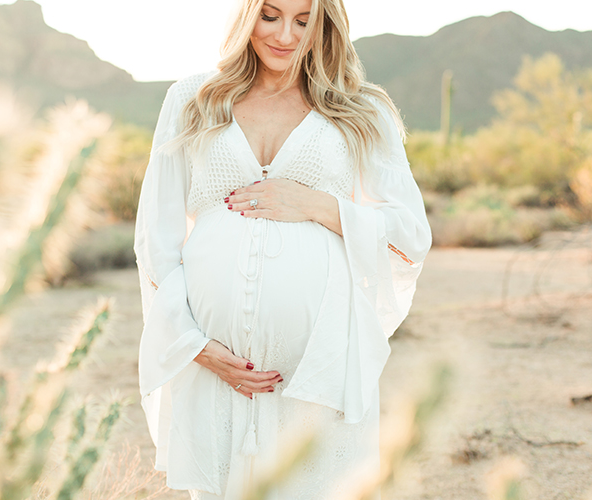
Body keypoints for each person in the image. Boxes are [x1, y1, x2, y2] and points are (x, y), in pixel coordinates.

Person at [134, 0, 431, 498]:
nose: (286, 36)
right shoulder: (193, 98)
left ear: (323, 23)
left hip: (319, 363)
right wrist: (191, 345)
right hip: (216, 364)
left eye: (303, 19)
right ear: (246, 15)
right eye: (269, 16)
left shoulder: (362, 107)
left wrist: (318, 204)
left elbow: (409, 233)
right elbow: (156, 239)